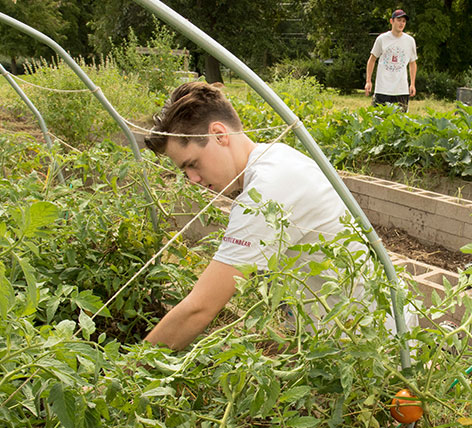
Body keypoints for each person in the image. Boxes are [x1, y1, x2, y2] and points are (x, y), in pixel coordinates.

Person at [142, 82, 384, 350]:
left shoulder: (267, 191)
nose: (193, 179)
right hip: (352, 334)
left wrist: (130, 370)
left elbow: (199, 308)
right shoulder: (276, 158)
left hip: (370, 349)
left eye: (192, 164)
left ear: (219, 135)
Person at [365, 9, 417, 112]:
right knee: (378, 121)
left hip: (401, 90)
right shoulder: (382, 39)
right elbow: (372, 59)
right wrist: (368, 81)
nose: (401, 23)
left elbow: (412, 63)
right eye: (399, 20)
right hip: (383, 89)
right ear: (391, 21)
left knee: (400, 123)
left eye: (404, 21)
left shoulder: (410, 41)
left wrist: (412, 84)